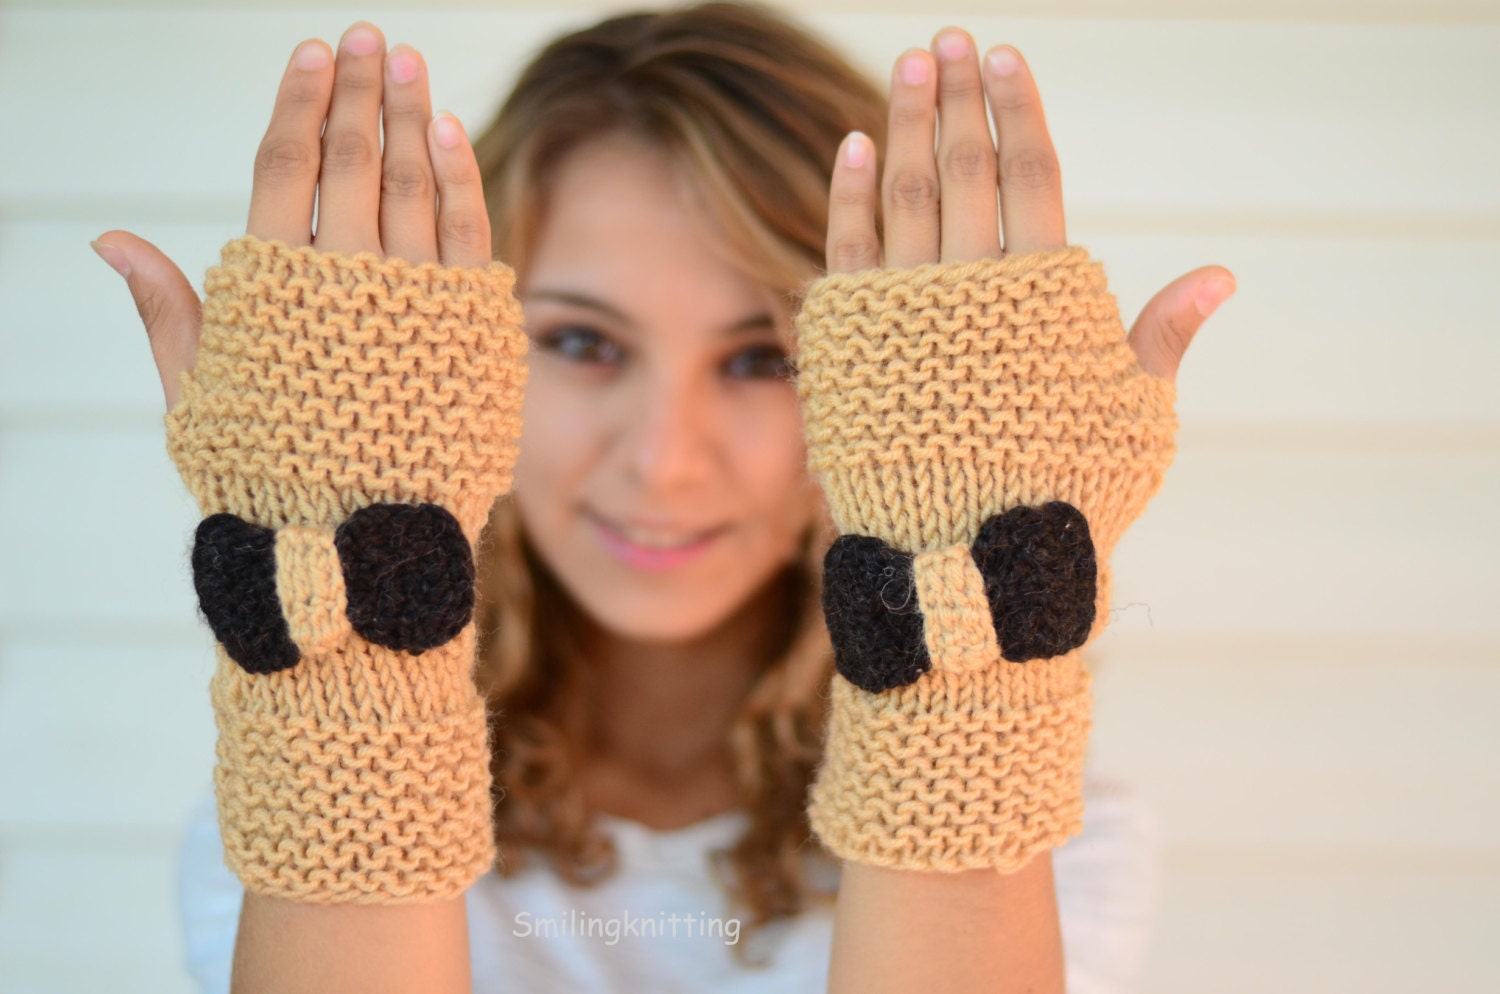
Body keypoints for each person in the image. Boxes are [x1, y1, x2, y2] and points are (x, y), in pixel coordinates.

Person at [91, 2, 1234, 991]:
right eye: (585, 341)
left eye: (762, 359)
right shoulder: (278, 789)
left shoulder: (1062, 833)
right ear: (457, 364)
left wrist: (961, 722)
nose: (665, 461)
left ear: (886, 400)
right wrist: (347, 698)